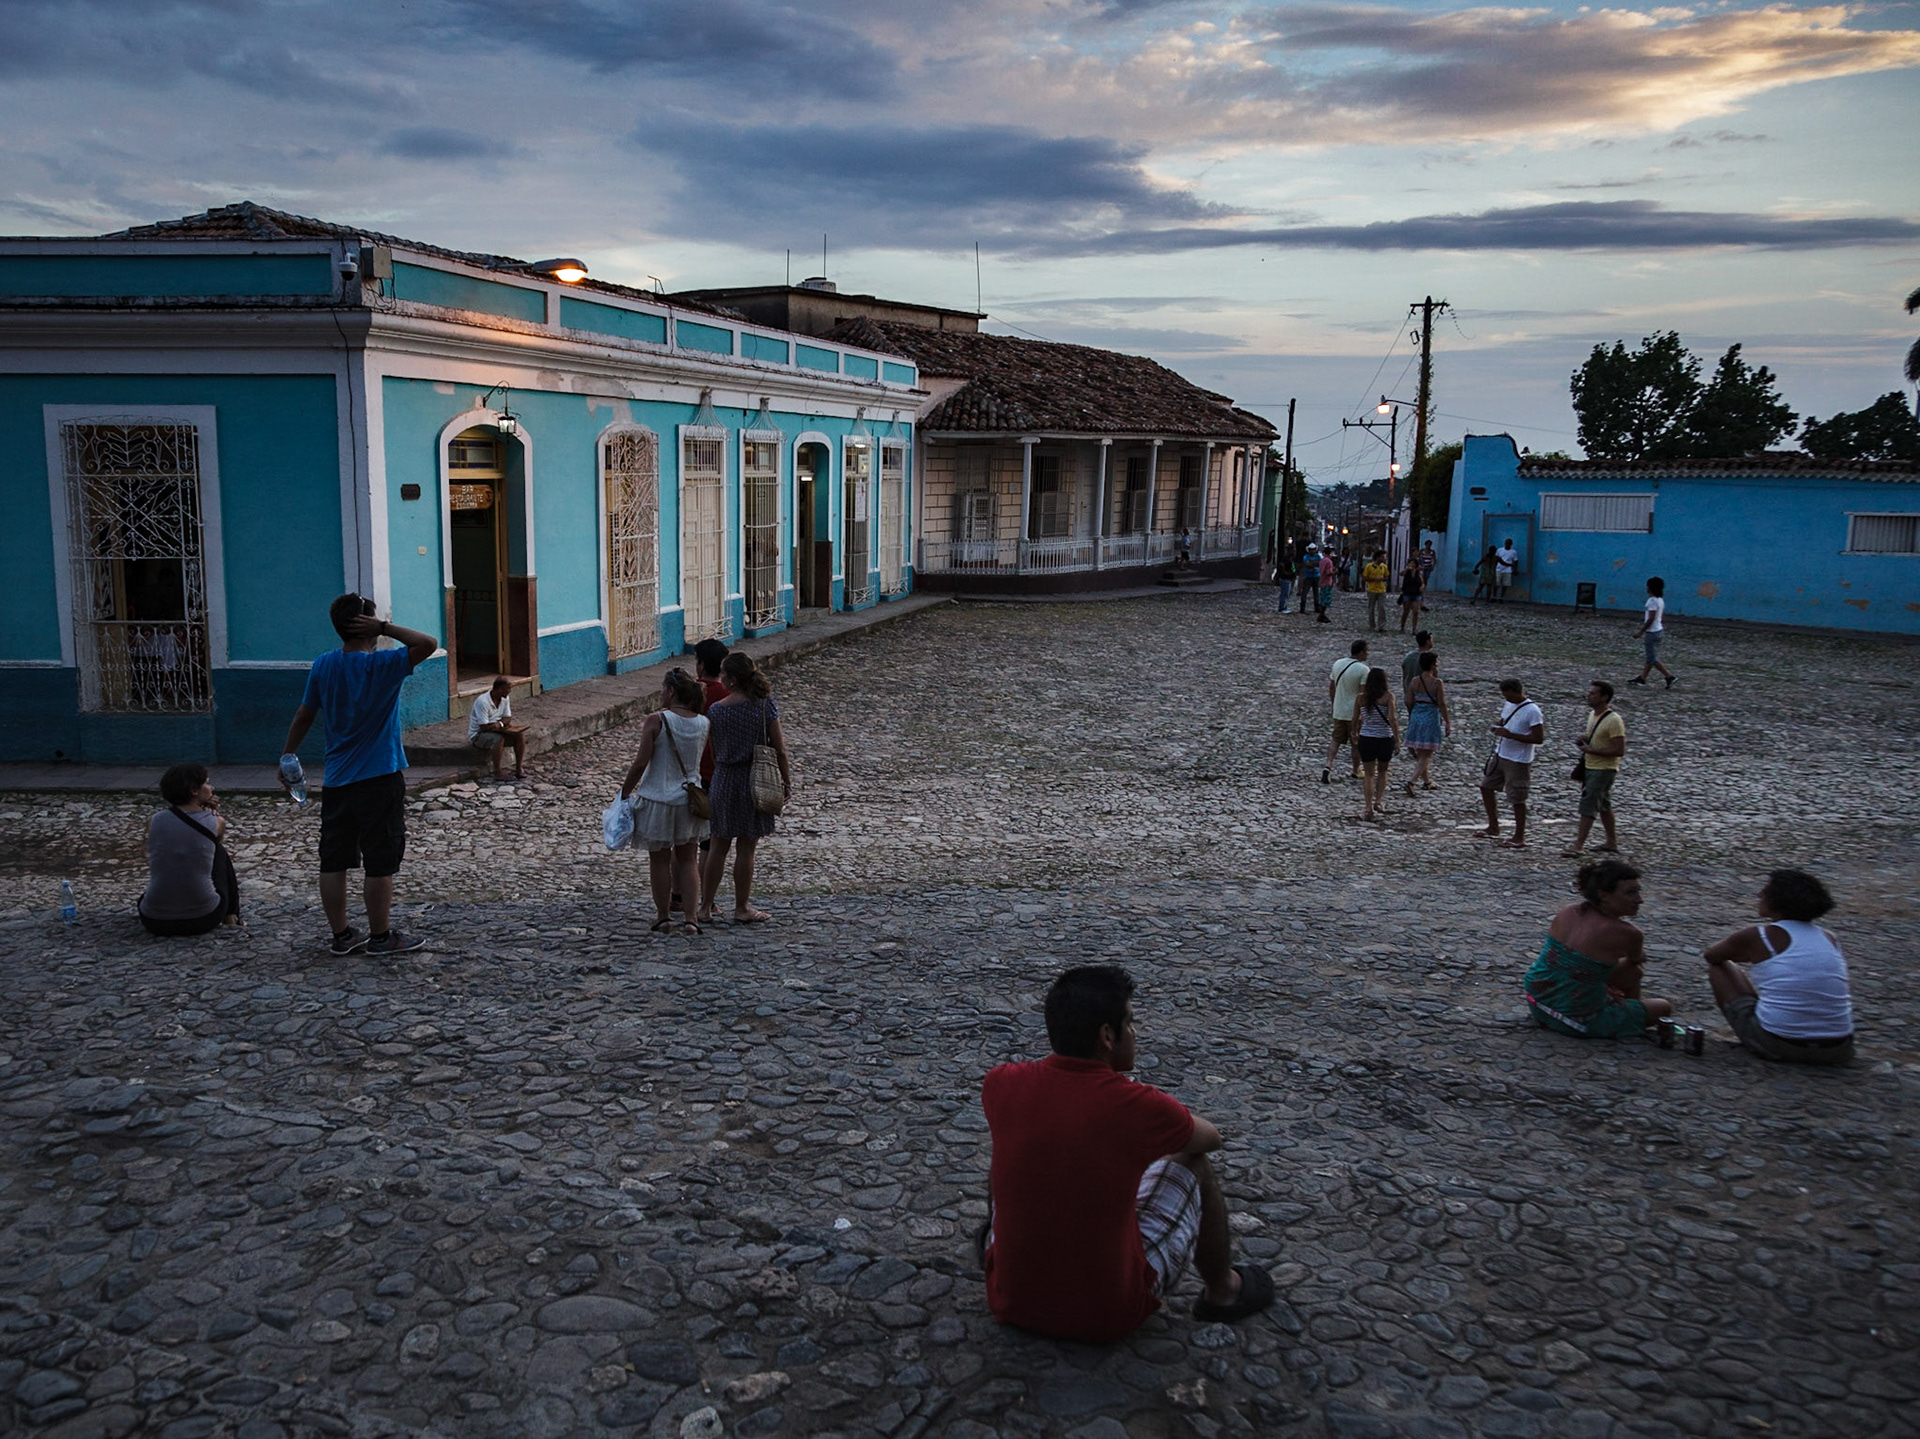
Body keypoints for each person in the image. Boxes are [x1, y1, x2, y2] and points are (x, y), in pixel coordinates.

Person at [980, 964, 1275, 1343]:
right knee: (1189, 1163)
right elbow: (1209, 1138)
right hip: (1107, 1312)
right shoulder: (1136, 1106)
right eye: (1130, 1023)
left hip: (1011, 1300)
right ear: (1107, 1036)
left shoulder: (1001, 1082)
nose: (1135, 1033)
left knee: (1014, 1147)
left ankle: (1004, 1252)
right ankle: (1223, 1289)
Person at [280, 594, 436, 957]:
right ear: (366, 625)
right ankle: (381, 937)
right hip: (380, 777)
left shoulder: (324, 665)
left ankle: (342, 935)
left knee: (333, 860)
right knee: (379, 861)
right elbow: (428, 643)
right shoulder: (385, 665)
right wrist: (385, 628)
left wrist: (288, 755)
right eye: (375, 619)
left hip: (337, 781)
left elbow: (304, 714)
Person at [1704, 870, 1855, 1066]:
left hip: (1779, 1044)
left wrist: (1748, 954)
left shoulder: (1759, 936)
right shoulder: (1829, 938)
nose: (1759, 895)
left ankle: (1765, 1030)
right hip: (1839, 1049)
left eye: (1765, 892)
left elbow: (1712, 955)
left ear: (1778, 901)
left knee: (1720, 968)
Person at [1524, 859, 1673, 1038]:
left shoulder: (1569, 911)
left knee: (1610, 968)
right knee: (1662, 1006)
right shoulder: (1628, 933)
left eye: (1638, 892)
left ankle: (1623, 1008)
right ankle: (1628, 1014)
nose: (1639, 900)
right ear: (1603, 895)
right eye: (1630, 893)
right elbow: (1637, 959)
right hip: (1576, 1019)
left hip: (1538, 1002)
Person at [699, 651, 792, 925]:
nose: (722, 679)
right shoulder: (764, 707)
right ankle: (742, 907)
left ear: (733, 680)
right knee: (746, 849)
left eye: (724, 675)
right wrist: (785, 781)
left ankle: (705, 907)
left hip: (724, 779)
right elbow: (780, 749)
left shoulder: (716, 711)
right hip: (754, 779)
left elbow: (714, 754)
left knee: (717, 845)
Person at [620, 669, 710, 936]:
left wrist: (624, 792)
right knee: (688, 860)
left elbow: (640, 763)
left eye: (662, 689)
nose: (660, 694)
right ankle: (692, 919)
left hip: (657, 799)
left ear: (671, 692)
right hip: (689, 799)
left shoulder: (655, 721)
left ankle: (664, 917)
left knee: (659, 861)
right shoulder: (704, 722)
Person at [138, 763, 241, 936]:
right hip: (202, 918)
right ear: (194, 791)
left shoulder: (154, 821)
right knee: (219, 852)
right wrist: (211, 812)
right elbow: (212, 842)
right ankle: (231, 916)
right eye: (207, 783)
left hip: (154, 920)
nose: (211, 787)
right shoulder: (216, 822)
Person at [1479, 677, 1544, 849]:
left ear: (1517, 692)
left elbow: (1538, 738)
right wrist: (1498, 727)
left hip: (1518, 760)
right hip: (1501, 754)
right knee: (1486, 786)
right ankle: (1493, 826)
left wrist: (1511, 735)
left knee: (1517, 797)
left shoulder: (1532, 711)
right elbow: (1505, 720)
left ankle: (1519, 836)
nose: (1505, 698)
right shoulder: (1509, 705)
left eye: (1507, 694)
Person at [1563, 680, 1625, 857]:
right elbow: (1598, 738)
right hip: (1591, 766)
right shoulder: (1593, 715)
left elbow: (1619, 750)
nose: (1589, 696)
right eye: (1589, 693)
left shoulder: (1614, 720)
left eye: (1593, 694)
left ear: (1604, 697)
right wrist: (1585, 739)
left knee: (1588, 805)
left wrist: (1592, 750)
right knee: (1604, 805)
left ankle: (1579, 845)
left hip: (1603, 769)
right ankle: (1611, 842)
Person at [1354, 667, 1400, 821]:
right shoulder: (1388, 697)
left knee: (1368, 774)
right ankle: (1379, 802)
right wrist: (1398, 740)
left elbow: (1355, 718)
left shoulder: (1361, 698)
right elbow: (1392, 719)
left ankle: (1367, 806)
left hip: (1366, 738)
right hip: (1384, 739)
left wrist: (1354, 733)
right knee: (1382, 771)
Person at [1402, 650, 1450, 794]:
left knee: (1421, 753)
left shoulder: (1414, 681)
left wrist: (1413, 714)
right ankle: (1412, 781)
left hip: (1417, 716)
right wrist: (1447, 721)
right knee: (1427, 754)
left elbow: (1408, 701)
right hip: (1430, 718)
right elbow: (1442, 704)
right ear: (1433, 665)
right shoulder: (1437, 683)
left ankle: (1427, 781)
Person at [1324, 640, 1370, 784]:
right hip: (1354, 713)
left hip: (1339, 710)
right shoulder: (1363, 670)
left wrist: (1334, 704)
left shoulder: (1338, 664)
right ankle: (1356, 770)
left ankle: (1328, 766)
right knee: (1355, 742)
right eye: (1367, 651)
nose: (1368, 654)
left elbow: (1332, 687)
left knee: (1335, 740)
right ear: (1361, 652)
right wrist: (1363, 713)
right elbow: (1362, 694)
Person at [468, 677, 528, 781]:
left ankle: (519, 768)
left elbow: (507, 718)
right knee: (498, 739)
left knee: (520, 735)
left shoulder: (505, 698)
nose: (510, 691)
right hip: (479, 735)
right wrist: (497, 726)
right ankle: (497, 772)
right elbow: (483, 726)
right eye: (508, 688)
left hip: (497, 728)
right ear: (501, 689)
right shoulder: (482, 702)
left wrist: (499, 724)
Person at [1630, 577, 1675, 688]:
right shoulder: (1660, 600)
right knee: (1650, 657)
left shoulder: (1652, 601)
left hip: (1652, 632)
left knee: (1652, 658)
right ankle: (1642, 678)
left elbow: (1651, 618)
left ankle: (1669, 676)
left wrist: (1641, 631)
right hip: (1659, 630)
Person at [1362, 550, 1390, 633]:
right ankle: (1372, 625)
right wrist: (1374, 579)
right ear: (1378, 557)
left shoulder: (1384, 567)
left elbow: (1386, 576)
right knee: (1371, 608)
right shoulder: (1369, 566)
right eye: (1382, 556)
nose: (1384, 558)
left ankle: (1381, 626)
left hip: (1381, 590)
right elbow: (1365, 578)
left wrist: (1383, 579)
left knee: (1382, 608)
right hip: (1372, 590)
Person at [1397, 556, 1424, 631]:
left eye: (1413, 563)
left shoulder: (1419, 573)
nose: (1412, 564)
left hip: (1416, 593)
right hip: (1407, 593)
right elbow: (1401, 574)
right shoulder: (1407, 572)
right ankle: (1402, 626)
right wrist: (1407, 569)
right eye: (1410, 563)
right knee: (1406, 611)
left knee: (1416, 611)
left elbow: (1422, 582)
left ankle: (1414, 628)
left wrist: (1422, 586)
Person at [1316, 549, 1335, 622]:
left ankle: (1321, 614)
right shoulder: (1329, 561)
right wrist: (1335, 572)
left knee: (1322, 598)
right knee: (1326, 599)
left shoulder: (1322, 561)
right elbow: (1328, 573)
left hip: (1322, 581)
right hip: (1327, 581)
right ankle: (1322, 615)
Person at [1273, 551, 1295, 616]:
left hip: (1288, 578)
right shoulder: (1286, 559)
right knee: (1284, 594)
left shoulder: (1290, 559)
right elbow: (1281, 565)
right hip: (1285, 578)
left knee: (1286, 594)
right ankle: (1282, 608)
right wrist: (1285, 572)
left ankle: (1284, 607)